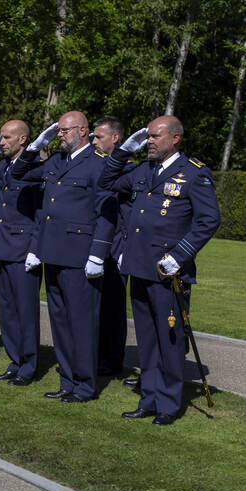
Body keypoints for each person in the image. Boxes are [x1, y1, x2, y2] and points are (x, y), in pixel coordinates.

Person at [99, 116, 220, 425]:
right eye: (148, 136)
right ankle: (149, 398)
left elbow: (208, 221)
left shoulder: (194, 173)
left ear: (175, 139)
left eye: (155, 136)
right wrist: (124, 151)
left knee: (169, 339)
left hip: (169, 272)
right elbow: (107, 180)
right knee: (148, 340)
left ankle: (168, 404)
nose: (149, 141)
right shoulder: (145, 169)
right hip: (139, 266)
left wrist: (180, 255)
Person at [10, 111, 116, 403]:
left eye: (64, 130)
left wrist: (98, 254)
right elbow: (18, 174)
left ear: (83, 131)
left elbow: (106, 213)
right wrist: (33, 147)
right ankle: (67, 380)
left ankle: (85, 384)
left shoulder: (98, 165)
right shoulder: (56, 161)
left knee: (81, 323)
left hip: (80, 256)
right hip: (53, 252)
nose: (59, 135)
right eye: (58, 131)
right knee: (60, 322)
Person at [0, 120, 43, 385]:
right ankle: (14, 359)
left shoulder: (37, 169)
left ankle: (28, 366)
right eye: (0, 138)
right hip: (3, 246)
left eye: (6, 138)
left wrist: (36, 249)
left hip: (23, 249)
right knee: (7, 310)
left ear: (23, 140)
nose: (1, 142)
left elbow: (41, 214)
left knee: (26, 312)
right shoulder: (3, 166)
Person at [91, 117, 135, 378]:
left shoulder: (128, 170)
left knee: (112, 308)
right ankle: (97, 353)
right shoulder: (99, 165)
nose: (94, 141)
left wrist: (122, 249)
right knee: (95, 306)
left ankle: (111, 359)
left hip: (115, 246)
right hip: (95, 244)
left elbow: (128, 214)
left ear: (115, 139)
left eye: (99, 137)